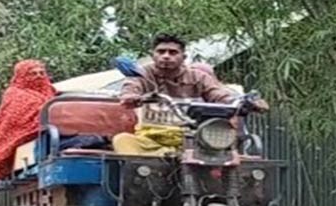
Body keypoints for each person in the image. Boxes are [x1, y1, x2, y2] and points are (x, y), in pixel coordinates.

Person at [113, 33, 268, 155]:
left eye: (173, 52)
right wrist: (131, 97)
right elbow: (130, 88)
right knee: (122, 140)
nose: (166, 56)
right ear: (153, 55)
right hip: (151, 140)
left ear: (184, 57)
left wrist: (246, 103)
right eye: (161, 52)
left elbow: (220, 94)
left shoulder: (198, 77)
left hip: (194, 140)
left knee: (226, 153)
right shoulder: (142, 74)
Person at [0, 59, 57, 180]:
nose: (38, 76)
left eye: (41, 73)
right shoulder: (15, 95)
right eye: (33, 73)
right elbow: (14, 122)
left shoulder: (52, 92)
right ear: (21, 76)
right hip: (30, 140)